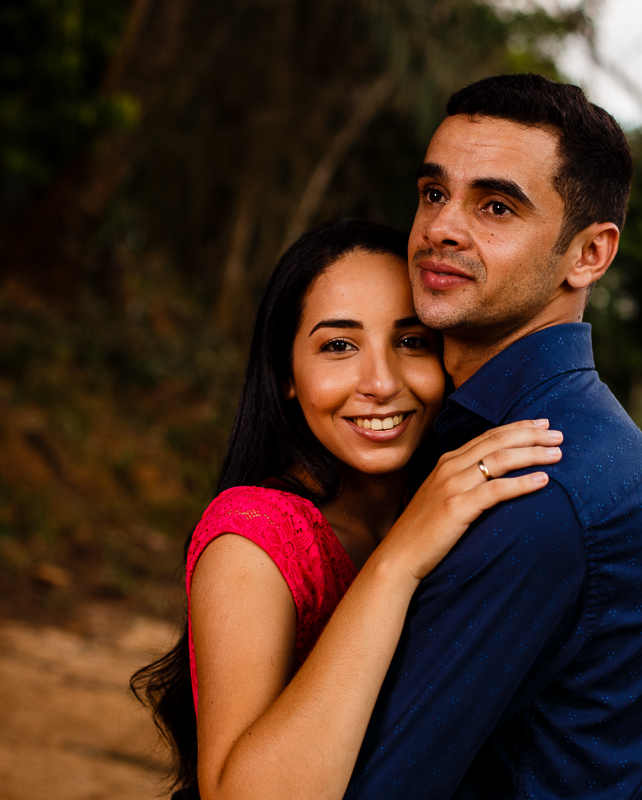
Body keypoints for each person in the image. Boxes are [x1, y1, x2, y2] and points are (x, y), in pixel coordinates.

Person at [342, 74, 642, 799]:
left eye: (496, 206)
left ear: (589, 255)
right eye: (434, 193)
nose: (441, 227)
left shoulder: (535, 481)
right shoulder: (483, 438)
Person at [132, 219, 564, 800]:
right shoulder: (254, 541)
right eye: (339, 346)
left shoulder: (459, 511)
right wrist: (396, 564)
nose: (380, 382)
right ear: (287, 374)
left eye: (411, 342)